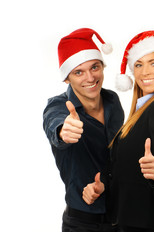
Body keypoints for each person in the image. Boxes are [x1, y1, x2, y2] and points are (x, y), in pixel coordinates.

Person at [82, 30, 154, 232]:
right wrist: (102, 185)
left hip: (145, 224)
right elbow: (125, 172)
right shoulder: (142, 109)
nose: (145, 72)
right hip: (128, 222)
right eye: (138, 64)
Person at [43, 28, 124, 232]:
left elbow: (117, 157)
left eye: (94, 67)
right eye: (78, 72)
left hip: (121, 216)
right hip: (82, 223)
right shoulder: (58, 107)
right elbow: (55, 124)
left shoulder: (112, 100)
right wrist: (64, 131)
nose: (90, 77)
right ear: (67, 78)